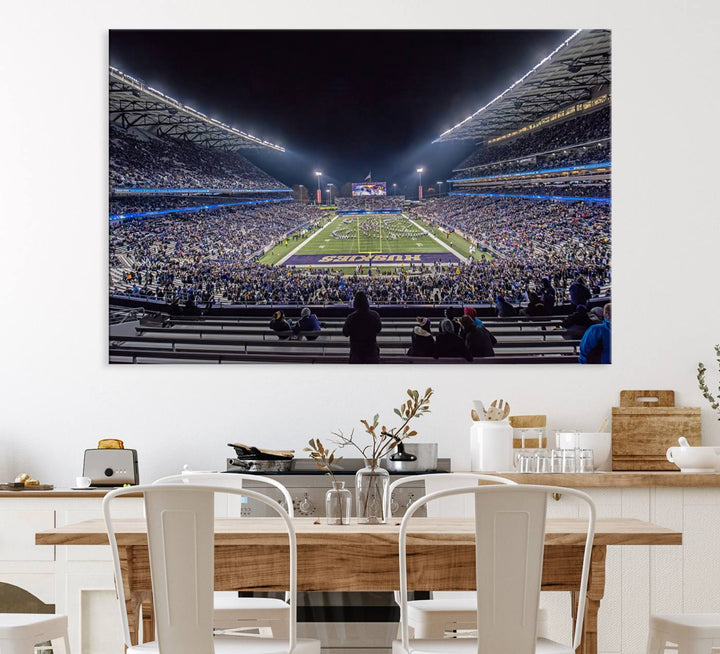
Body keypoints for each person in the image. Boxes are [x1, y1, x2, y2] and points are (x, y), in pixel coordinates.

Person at [342, 291, 382, 363]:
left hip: (356, 354)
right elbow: (378, 329)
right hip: (371, 352)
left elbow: (345, 333)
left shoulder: (351, 317)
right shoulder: (375, 315)